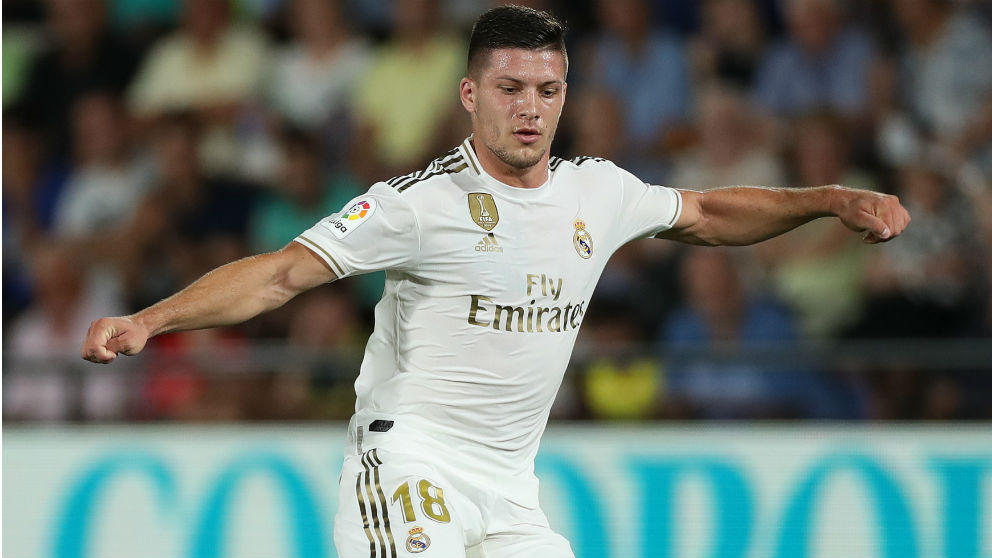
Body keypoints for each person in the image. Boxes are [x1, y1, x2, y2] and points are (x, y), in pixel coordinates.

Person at [82, 6, 910, 557]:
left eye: (548, 90)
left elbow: (708, 213)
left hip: (512, 491)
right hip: (409, 464)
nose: (531, 109)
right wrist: (152, 321)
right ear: (472, 94)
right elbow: (281, 275)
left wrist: (827, 200)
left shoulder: (599, 190)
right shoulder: (418, 203)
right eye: (511, 89)